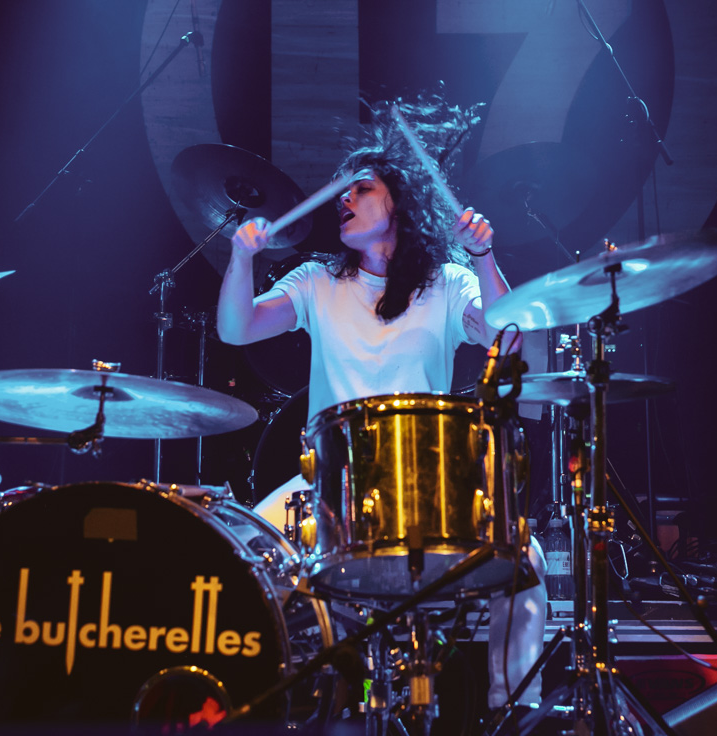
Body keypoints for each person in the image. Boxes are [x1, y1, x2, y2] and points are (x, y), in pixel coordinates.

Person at [216, 109, 547, 711]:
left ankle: (516, 710)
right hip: (329, 489)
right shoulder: (316, 280)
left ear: (399, 204)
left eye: (362, 188)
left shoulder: (448, 283)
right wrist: (241, 258)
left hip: (429, 486)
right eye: (341, 192)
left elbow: (509, 336)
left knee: (524, 554)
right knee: (242, 552)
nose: (345, 198)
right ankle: (280, 710)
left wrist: (483, 257)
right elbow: (237, 328)